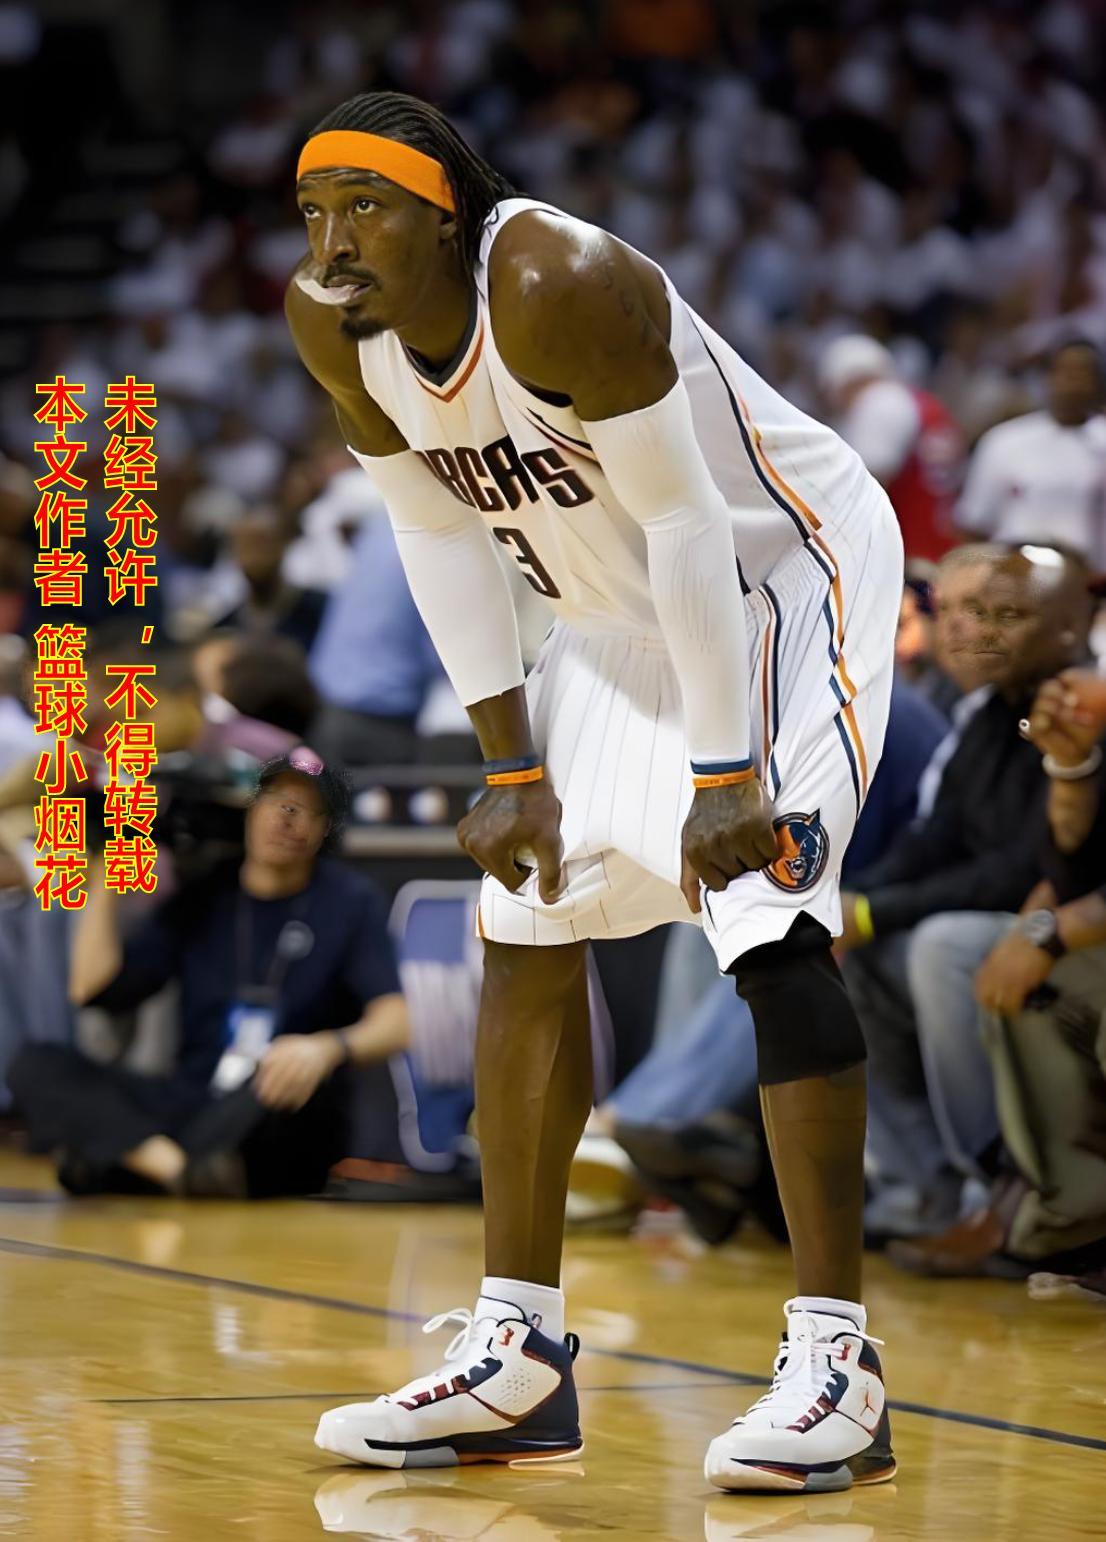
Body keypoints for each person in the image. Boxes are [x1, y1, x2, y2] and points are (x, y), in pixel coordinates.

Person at [287, 91, 902, 1492]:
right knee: (527, 917)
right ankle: (516, 1353)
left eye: (364, 208)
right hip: (610, 610)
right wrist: (510, 766)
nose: (332, 243)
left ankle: (838, 1364)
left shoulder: (553, 278)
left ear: (446, 212)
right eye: (311, 213)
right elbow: (437, 535)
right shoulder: (334, 324)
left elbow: (689, 521)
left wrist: (725, 769)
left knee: (769, 920)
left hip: (775, 576)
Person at [9, 750, 409, 1198]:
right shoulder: (205, 895)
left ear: (324, 829)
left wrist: (326, 1048)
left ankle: (129, 1159)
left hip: (274, 1102)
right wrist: (107, 864)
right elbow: (91, 988)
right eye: (275, 802)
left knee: (297, 1093)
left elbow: (396, 1022)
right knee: (36, 1064)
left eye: (304, 810)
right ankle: (179, 1170)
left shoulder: (349, 900)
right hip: (194, 1099)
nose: (285, 819)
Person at [839, 546, 1096, 1234]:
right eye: (956, 610)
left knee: (941, 946)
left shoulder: (1081, 705)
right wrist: (850, 908)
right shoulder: (991, 715)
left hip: (1055, 929)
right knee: (849, 951)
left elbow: (1027, 869)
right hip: (1021, 923)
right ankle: (923, 1191)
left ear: (1072, 627)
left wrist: (874, 909)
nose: (969, 629)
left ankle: (1003, 1190)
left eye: (1001, 615)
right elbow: (934, 842)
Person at [956, 339, 1106, 566]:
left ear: (1098, 383)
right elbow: (974, 523)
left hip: (1090, 574)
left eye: (1083, 374)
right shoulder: (1004, 440)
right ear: (1047, 377)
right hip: (1015, 570)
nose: (1072, 383)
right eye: (1064, 372)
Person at [819, 334, 965, 563]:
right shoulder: (922, 401)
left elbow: (866, 483)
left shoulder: (880, 402)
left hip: (913, 552)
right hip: (942, 544)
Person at [213, 506, 328, 652]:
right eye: (245, 546)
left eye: (262, 545)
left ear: (283, 545)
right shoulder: (226, 628)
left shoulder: (321, 611)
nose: (254, 558)